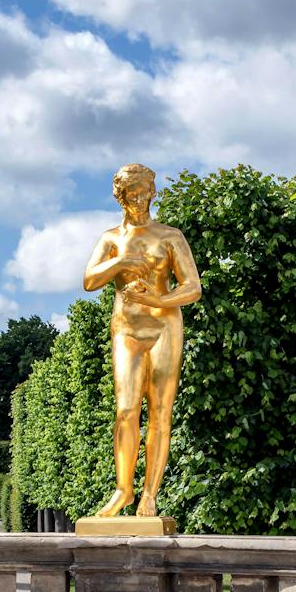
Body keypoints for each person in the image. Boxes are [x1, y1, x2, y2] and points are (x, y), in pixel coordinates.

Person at [81, 163, 202, 518]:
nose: (136, 199)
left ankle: (150, 494)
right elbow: (89, 281)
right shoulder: (110, 239)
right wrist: (121, 261)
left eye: (142, 192)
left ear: (152, 192)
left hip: (165, 327)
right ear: (120, 196)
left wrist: (160, 300)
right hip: (127, 330)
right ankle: (123, 490)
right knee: (126, 410)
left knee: (161, 413)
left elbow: (193, 287)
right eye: (129, 194)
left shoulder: (170, 236)